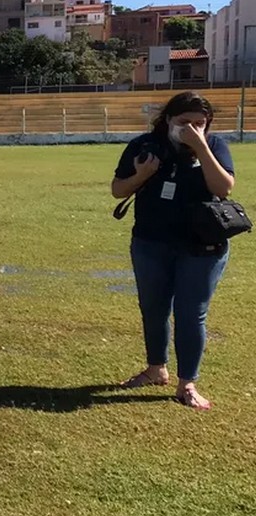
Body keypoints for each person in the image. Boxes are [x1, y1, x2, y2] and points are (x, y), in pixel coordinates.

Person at [111, 91, 235, 410]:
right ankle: (156, 369)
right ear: (167, 120)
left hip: (201, 247)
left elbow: (223, 188)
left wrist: (201, 148)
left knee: (191, 313)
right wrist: (142, 175)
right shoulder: (144, 145)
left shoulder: (214, 145)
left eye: (200, 123)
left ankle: (187, 383)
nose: (192, 129)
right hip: (150, 243)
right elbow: (117, 190)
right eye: (184, 122)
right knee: (153, 309)